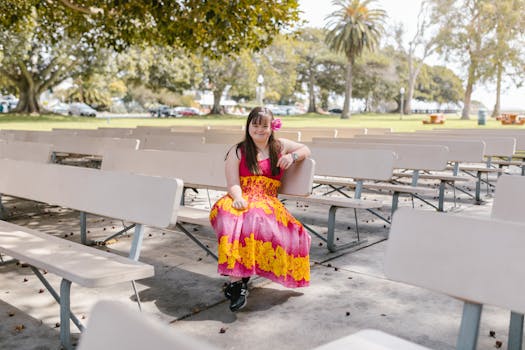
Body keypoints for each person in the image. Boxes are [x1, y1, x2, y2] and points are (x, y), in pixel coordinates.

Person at [209, 106, 312, 312]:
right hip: (240, 195)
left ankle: (237, 283)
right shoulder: (237, 150)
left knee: (255, 217)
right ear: (248, 126)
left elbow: (305, 150)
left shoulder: (279, 146)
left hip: (266, 200)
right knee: (232, 215)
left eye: (264, 125)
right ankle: (238, 283)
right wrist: (238, 197)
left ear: (272, 127)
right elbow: (232, 183)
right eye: (255, 125)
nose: (259, 130)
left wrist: (292, 158)